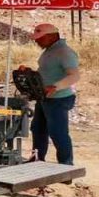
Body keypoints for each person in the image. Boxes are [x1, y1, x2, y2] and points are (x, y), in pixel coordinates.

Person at [21, 22, 80, 165]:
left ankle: (66, 167)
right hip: (45, 97)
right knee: (38, 129)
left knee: (58, 133)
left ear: (52, 36)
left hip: (59, 98)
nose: (37, 40)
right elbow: (48, 71)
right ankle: (37, 160)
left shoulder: (64, 52)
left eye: (40, 38)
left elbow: (74, 76)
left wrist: (55, 87)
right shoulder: (50, 50)